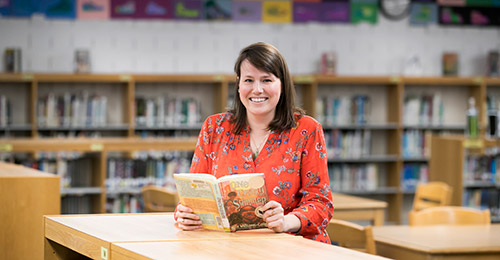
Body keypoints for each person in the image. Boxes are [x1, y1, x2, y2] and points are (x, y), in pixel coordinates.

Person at [175, 42, 333, 243]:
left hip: (290, 247)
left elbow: (321, 204)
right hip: (228, 248)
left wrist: (286, 221)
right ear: (239, 85)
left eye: (266, 80)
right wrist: (184, 215)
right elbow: (193, 195)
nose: (257, 89)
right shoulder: (214, 128)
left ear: (282, 85)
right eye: (249, 80)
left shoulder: (306, 130)